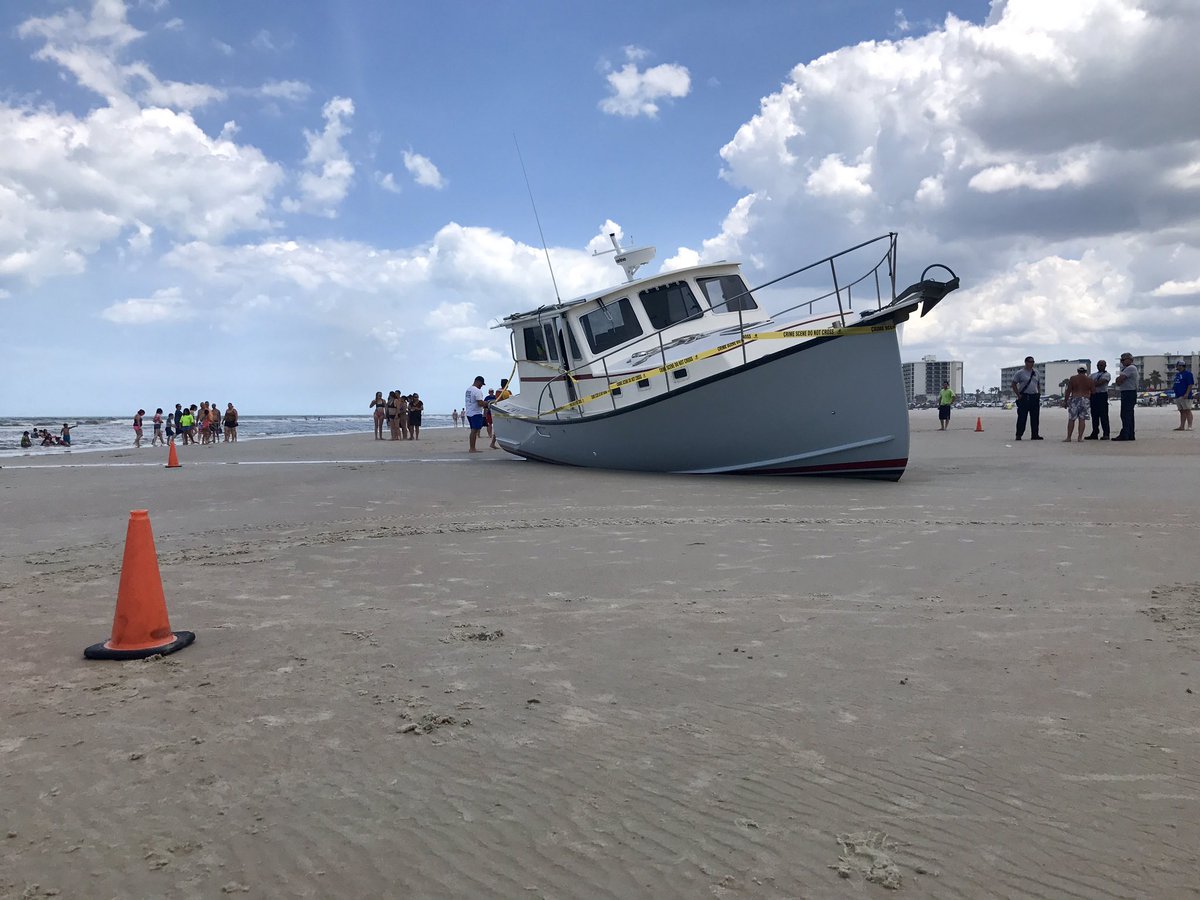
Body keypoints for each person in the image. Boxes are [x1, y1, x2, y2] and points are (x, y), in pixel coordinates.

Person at [1011, 357, 1043, 440]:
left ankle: (1035, 434)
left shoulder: (1036, 372)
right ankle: (1019, 435)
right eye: (1030, 362)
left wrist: (1039, 393)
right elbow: (1014, 384)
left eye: (1033, 362)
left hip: (1034, 397)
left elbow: (1038, 384)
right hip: (1024, 397)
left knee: (1035, 417)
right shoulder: (1020, 373)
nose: (1031, 363)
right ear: (1025, 362)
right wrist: (1018, 395)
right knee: (1022, 417)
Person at [1112, 352, 1139, 441]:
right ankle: (1130, 434)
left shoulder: (1130, 368)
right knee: (1129, 414)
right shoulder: (1128, 369)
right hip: (1129, 392)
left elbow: (1119, 380)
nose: (1122, 362)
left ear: (1129, 360)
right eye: (1121, 360)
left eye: (1123, 360)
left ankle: (1125, 434)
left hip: (1128, 392)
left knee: (1125, 414)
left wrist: (1118, 379)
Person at [1062, 366, 1093, 442]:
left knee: (1071, 419)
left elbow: (1068, 390)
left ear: (1077, 370)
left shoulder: (1073, 378)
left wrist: (1065, 401)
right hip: (1085, 399)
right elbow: (1093, 391)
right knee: (1082, 419)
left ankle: (1069, 437)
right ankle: (1080, 437)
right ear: (1085, 371)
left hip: (1075, 399)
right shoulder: (1089, 379)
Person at [1085, 360, 1111, 440]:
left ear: (1105, 366)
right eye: (1099, 365)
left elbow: (1100, 383)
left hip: (1102, 395)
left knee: (1104, 415)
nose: (1100, 366)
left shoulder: (1107, 374)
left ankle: (1106, 433)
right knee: (1094, 415)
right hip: (1094, 395)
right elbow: (1087, 383)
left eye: (1102, 365)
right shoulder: (1093, 375)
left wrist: (1092, 384)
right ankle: (1095, 433)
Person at [465, 376, 489, 452]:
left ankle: (472, 447)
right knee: (474, 430)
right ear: (478, 382)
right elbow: (480, 403)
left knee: (474, 430)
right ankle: (472, 448)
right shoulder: (477, 391)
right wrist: (488, 403)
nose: (481, 386)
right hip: (475, 413)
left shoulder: (468, 390)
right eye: (481, 384)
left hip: (469, 412)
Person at [489, 379, 513, 449]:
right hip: (503, 412)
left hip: (503, 411)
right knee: (501, 428)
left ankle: (493, 443)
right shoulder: (502, 392)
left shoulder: (499, 392)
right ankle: (493, 443)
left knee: (501, 428)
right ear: (507, 384)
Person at [1171, 361, 1194, 431]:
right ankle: (1182, 426)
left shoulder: (1188, 374)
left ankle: (1189, 426)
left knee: (1187, 410)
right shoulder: (1177, 375)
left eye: (1177, 366)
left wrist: (1187, 393)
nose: (1176, 367)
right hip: (1178, 395)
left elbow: (1190, 384)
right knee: (1181, 411)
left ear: (1181, 366)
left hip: (1185, 395)